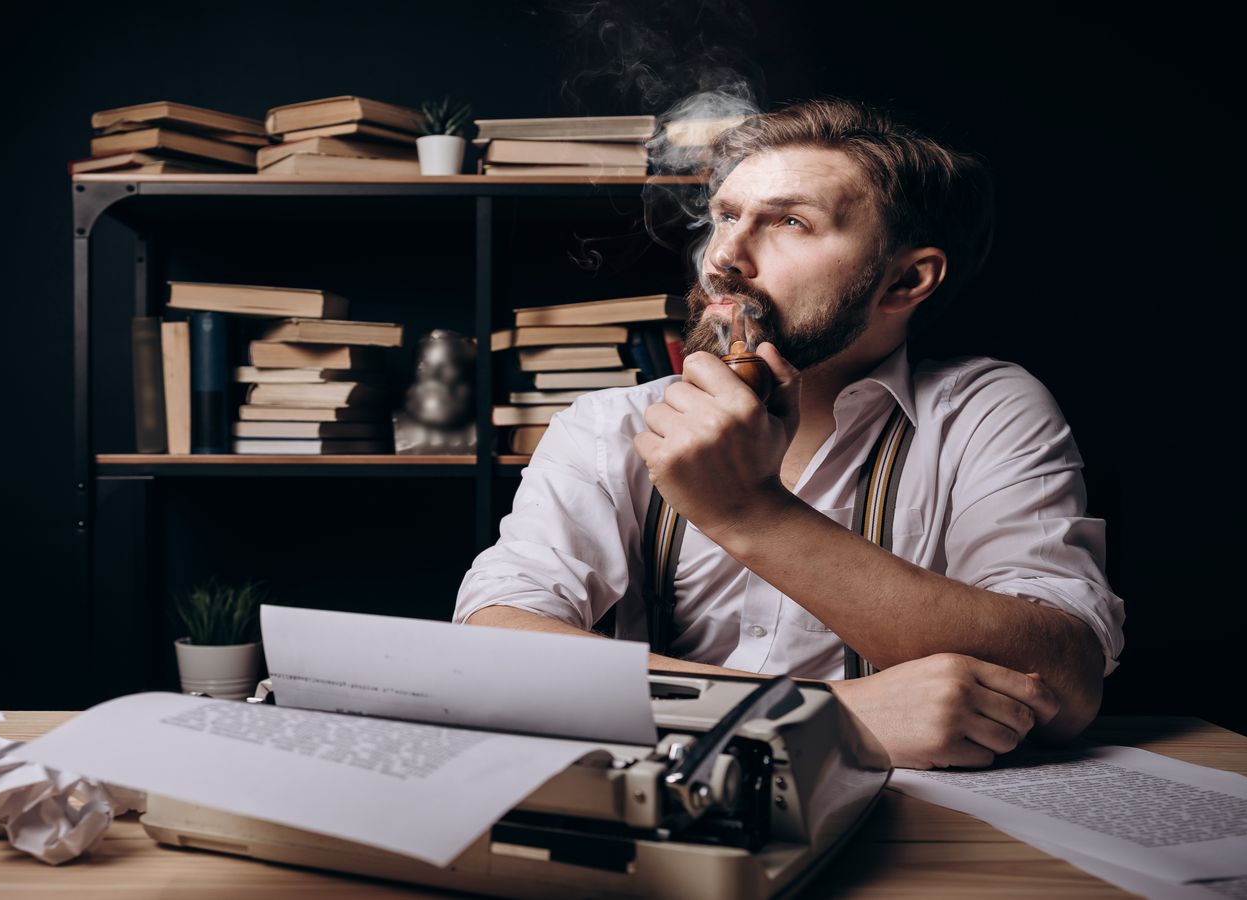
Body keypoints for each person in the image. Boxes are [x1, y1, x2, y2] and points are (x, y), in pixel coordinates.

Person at [452, 98, 1124, 770]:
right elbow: (491, 654)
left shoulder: (981, 411)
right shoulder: (609, 424)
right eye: (726, 216)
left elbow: (1063, 684)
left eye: (791, 223)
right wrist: (831, 717)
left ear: (906, 280)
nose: (724, 257)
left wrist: (751, 513)